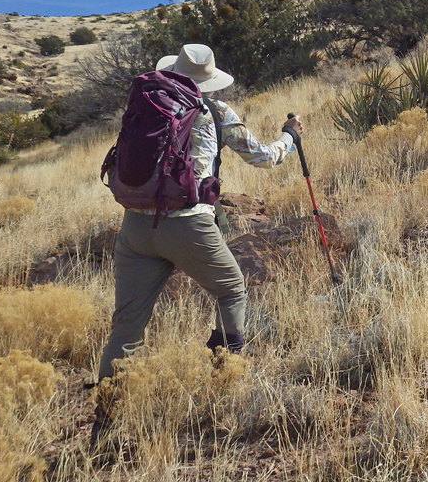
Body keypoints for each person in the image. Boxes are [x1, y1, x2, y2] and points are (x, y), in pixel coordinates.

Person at [95, 43, 302, 383]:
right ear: (210, 79)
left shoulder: (148, 105)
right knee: (232, 290)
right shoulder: (216, 111)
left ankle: (106, 409)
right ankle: (224, 374)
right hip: (188, 223)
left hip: (135, 226)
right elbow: (263, 157)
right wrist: (289, 137)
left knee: (127, 325)